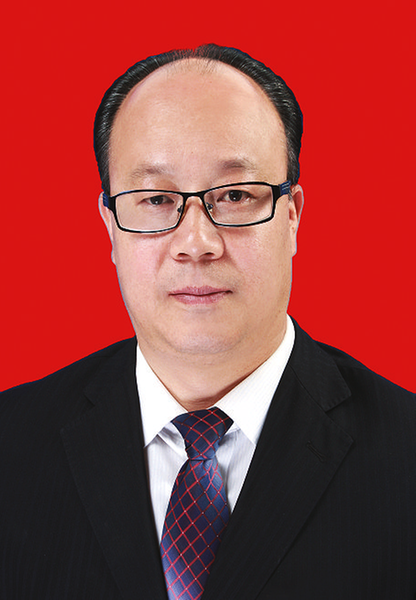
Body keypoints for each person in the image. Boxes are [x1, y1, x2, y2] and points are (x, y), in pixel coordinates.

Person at [1, 44, 415, 600]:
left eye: (236, 195)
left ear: (293, 216)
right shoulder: (11, 445)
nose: (196, 243)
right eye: (155, 199)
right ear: (110, 227)